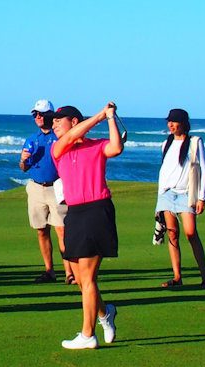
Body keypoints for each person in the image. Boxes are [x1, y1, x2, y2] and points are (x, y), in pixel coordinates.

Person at [51, 103, 122, 350]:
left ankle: (88, 334)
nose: (54, 123)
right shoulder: (57, 147)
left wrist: (110, 118)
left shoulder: (96, 144)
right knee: (82, 280)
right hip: (75, 213)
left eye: (59, 120)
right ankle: (105, 313)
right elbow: (71, 136)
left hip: (97, 210)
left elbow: (116, 148)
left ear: (74, 120)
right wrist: (101, 115)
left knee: (89, 277)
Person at [155, 109, 205, 289]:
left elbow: (203, 168)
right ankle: (177, 276)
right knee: (172, 233)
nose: (171, 125)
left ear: (183, 123)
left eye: (174, 122)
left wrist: (201, 198)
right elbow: (165, 170)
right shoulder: (166, 143)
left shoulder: (195, 142)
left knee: (190, 233)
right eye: (169, 122)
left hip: (186, 193)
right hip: (166, 192)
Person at [20, 99, 73, 284]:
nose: (38, 117)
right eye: (35, 114)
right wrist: (23, 159)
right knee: (41, 230)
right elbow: (23, 168)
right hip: (35, 187)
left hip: (57, 187)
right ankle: (49, 271)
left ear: (52, 115)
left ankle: (69, 272)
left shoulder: (60, 136)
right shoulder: (32, 139)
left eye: (42, 113)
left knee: (61, 230)